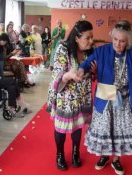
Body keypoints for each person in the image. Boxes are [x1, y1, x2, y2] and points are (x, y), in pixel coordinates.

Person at [78, 20, 132, 175]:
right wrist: (81, 70)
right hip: (106, 93)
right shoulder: (102, 51)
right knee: (104, 127)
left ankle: (116, 160)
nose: (118, 44)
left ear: (128, 41)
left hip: (124, 96)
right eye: (115, 39)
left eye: (122, 41)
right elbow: (87, 63)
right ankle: (104, 156)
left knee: (120, 129)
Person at [46, 20, 94, 171]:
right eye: (88, 38)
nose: (91, 41)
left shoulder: (89, 51)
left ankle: (75, 152)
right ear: (77, 38)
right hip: (65, 96)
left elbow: (91, 74)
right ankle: (59, 154)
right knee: (61, 127)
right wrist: (68, 75)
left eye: (92, 37)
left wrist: (94, 71)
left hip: (82, 96)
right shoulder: (63, 48)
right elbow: (57, 74)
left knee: (78, 125)